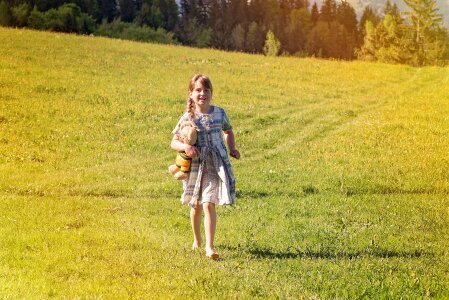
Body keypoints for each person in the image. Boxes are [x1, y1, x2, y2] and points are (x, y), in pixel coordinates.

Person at [171, 74, 240, 259]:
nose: (203, 94)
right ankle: (197, 239)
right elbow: (174, 142)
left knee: (209, 204)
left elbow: (228, 131)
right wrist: (186, 146)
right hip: (195, 166)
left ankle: (210, 247)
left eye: (206, 90)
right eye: (198, 90)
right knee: (196, 205)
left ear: (211, 93)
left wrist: (232, 148)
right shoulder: (188, 117)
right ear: (191, 94)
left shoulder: (219, 112)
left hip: (215, 165)